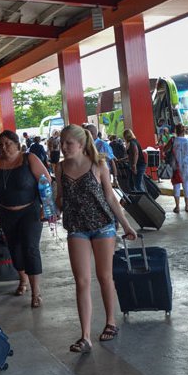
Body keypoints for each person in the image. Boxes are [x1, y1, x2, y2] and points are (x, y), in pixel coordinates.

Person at [55, 125, 137, 354]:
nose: (63, 147)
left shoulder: (98, 165)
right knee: (81, 281)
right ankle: (85, 336)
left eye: (68, 143)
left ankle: (110, 321)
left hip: (102, 226)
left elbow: (110, 198)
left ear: (81, 145)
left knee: (104, 276)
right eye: (62, 142)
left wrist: (127, 225)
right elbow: (59, 199)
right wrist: (54, 204)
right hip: (76, 228)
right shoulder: (60, 168)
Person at [0, 130, 51, 308]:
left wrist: (47, 207)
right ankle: (23, 281)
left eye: (8, 143)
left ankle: (36, 292)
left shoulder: (29, 159)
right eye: (1, 144)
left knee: (30, 248)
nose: (4, 147)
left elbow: (45, 181)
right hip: (6, 213)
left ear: (16, 143)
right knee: (14, 249)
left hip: (30, 211)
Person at [170, 124, 188, 213]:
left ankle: (177, 206)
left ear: (176, 131)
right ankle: (187, 206)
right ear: (184, 131)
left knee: (176, 185)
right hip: (187, 165)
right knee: (186, 185)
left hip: (176, 165)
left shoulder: (173, 140)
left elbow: (165, 150)